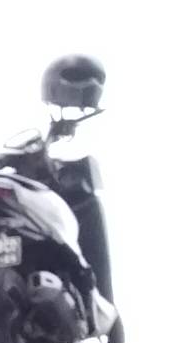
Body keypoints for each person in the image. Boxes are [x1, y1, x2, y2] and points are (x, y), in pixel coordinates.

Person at [38, 52, 114, 303]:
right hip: (28, 199)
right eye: (76, 77)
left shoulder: (79, 124)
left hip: (44, 202)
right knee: (90, 208)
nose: (87, 85)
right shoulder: (45, 122)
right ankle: (104, 300)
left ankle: (100, 301)